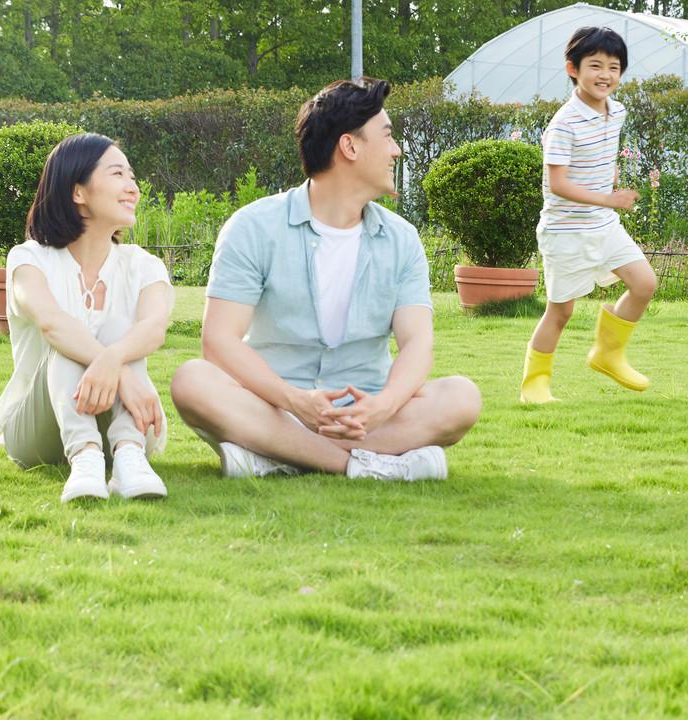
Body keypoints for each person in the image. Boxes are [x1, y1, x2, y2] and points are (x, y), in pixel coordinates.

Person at [169, 78, 481, 481]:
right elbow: (219, 341)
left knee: (461, 398)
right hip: (274, 405)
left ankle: (275, 454)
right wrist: (296, 402)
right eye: (387, 137)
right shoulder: (253, 226)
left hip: (364, 414)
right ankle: (363, 466)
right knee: (192, 381)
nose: (396, 150)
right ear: (349, 147)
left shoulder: (401, 239)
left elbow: (417, 343)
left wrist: (382, 406)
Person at [0, 133, 174, 502]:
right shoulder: (29, 259)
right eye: (118, 174)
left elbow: (154, 328)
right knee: (69, 341)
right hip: (39, 433)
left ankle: (128, 458)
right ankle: (84, 456)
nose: (132, 188)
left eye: (132, 177)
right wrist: (117, 365)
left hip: (135, 423)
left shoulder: (143, 265)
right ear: (78, 192)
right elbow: (51, 323)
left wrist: (114, 358)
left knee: (120, 331)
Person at [519, 26, 659, 404]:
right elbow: (558, 185)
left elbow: (598, 156)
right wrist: (608, 198)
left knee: (644, 284)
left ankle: (607, 354)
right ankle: (534, 386)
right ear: (572, 69)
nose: (605, 75)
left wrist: (607, 174)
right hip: (566, 231)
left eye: (614, 67)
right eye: (595, 65)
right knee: (560, 313)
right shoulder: (563, 123)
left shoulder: (616, 111)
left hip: (604, 226)